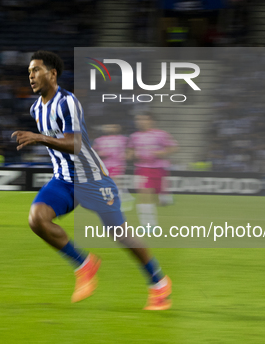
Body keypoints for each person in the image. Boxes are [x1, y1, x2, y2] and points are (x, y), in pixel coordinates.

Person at [12, 51, 171, 310]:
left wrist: (38, 138)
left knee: (121, 235)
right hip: (64, 180)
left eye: (36, 70)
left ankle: (159, 283)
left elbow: (74, 144)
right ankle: (85, 265)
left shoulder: (68, 102)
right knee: (36, 219)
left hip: (92, 180)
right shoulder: (35, 108)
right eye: (29, 71)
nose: (31, 75)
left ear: (52, 74)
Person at [127, 113, 178, 231]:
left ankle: (164, 196)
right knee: (144, 195)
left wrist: (160, 153)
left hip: (159, 169)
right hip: (142, 169)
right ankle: (148, 225)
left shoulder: (161, 134)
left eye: (143, 119)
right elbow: (129, 152)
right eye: (138, 119)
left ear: (151, 121)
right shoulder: (134, 136)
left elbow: (173, 147)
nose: (140, 122)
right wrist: (132, 155)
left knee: (158, 200)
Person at [92, 123, 134, 212]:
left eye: (113, 126)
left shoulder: (123, 139)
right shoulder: (99, 140)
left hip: (117, 165)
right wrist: (101, 154)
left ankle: (117, 205)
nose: (109, 127)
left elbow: (130, 150)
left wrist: (127, 155)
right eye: (108, 125)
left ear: (118, 128)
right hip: (104, 167)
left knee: (115, 185)